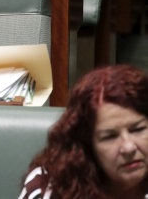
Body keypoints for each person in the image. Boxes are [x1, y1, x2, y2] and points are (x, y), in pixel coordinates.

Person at [18, 65, 148, 199]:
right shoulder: (47, 187)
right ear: (87, 146)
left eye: (138, 130)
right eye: (109, 137)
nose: (128, 147)